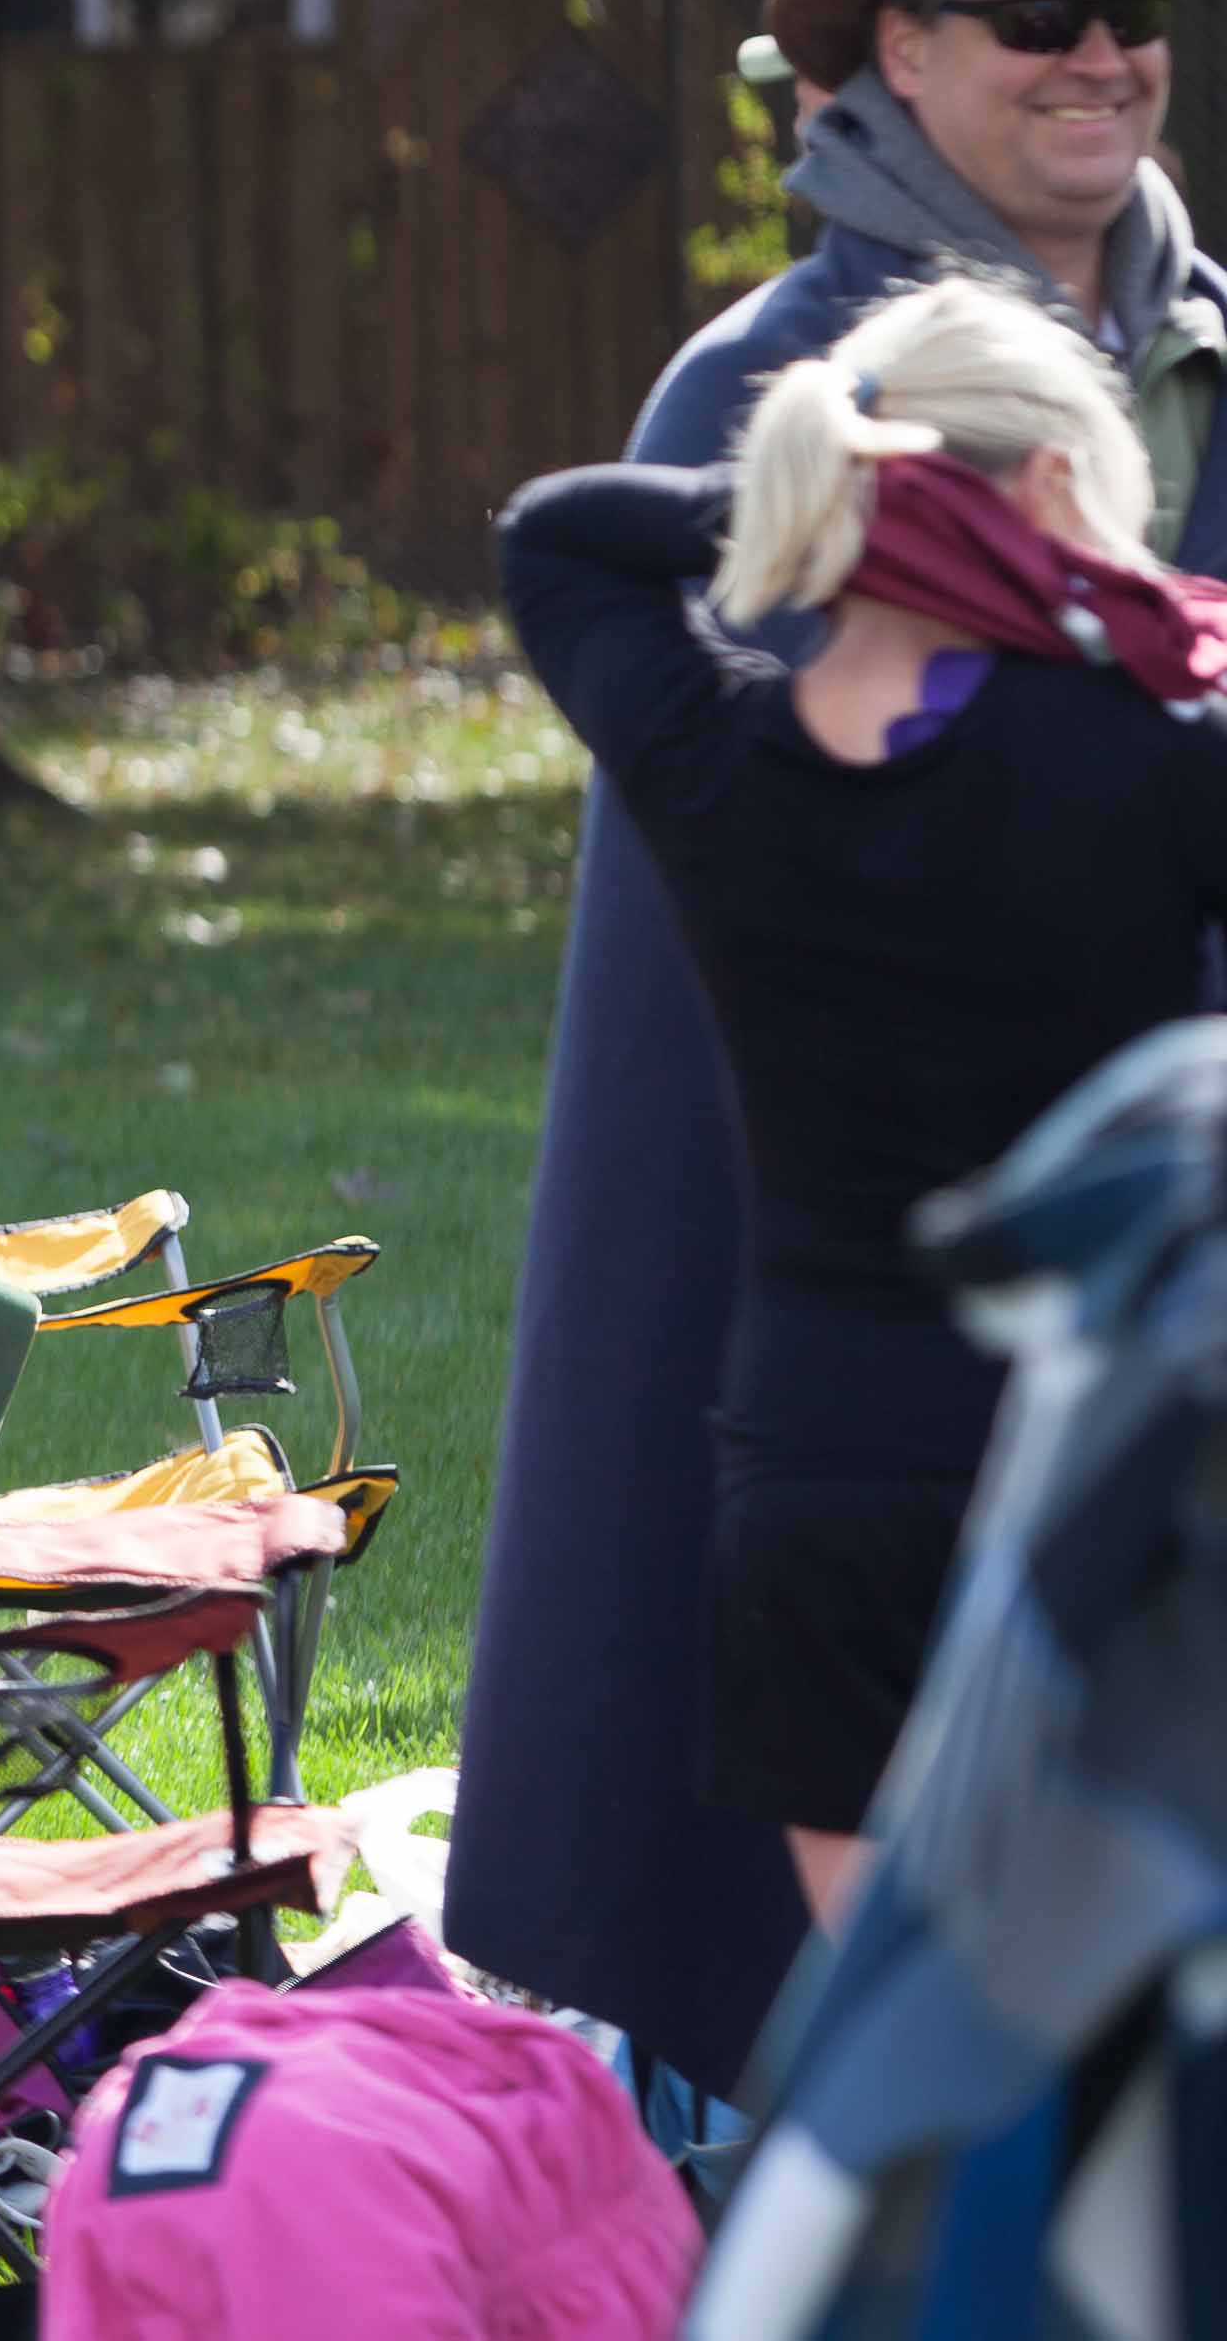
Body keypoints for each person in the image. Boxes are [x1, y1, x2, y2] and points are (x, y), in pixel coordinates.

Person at [454, 0, 1227, 2096]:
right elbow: (790, 817)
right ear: (900, 50)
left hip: (1156, 1276)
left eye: (1132, 16)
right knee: (853, 1883)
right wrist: (878, 500)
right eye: (1037, 18)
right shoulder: (767, 382)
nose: (1100, 60)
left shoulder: (1207, 353)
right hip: (842, 1261)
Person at [499, 279, 1227, 1922]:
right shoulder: (1149, 750)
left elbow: (559, 538)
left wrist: (827, 498)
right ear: (1048, 490)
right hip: (1105, 1454)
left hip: (822, 1478)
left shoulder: (717, 757)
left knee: (893, 2017)